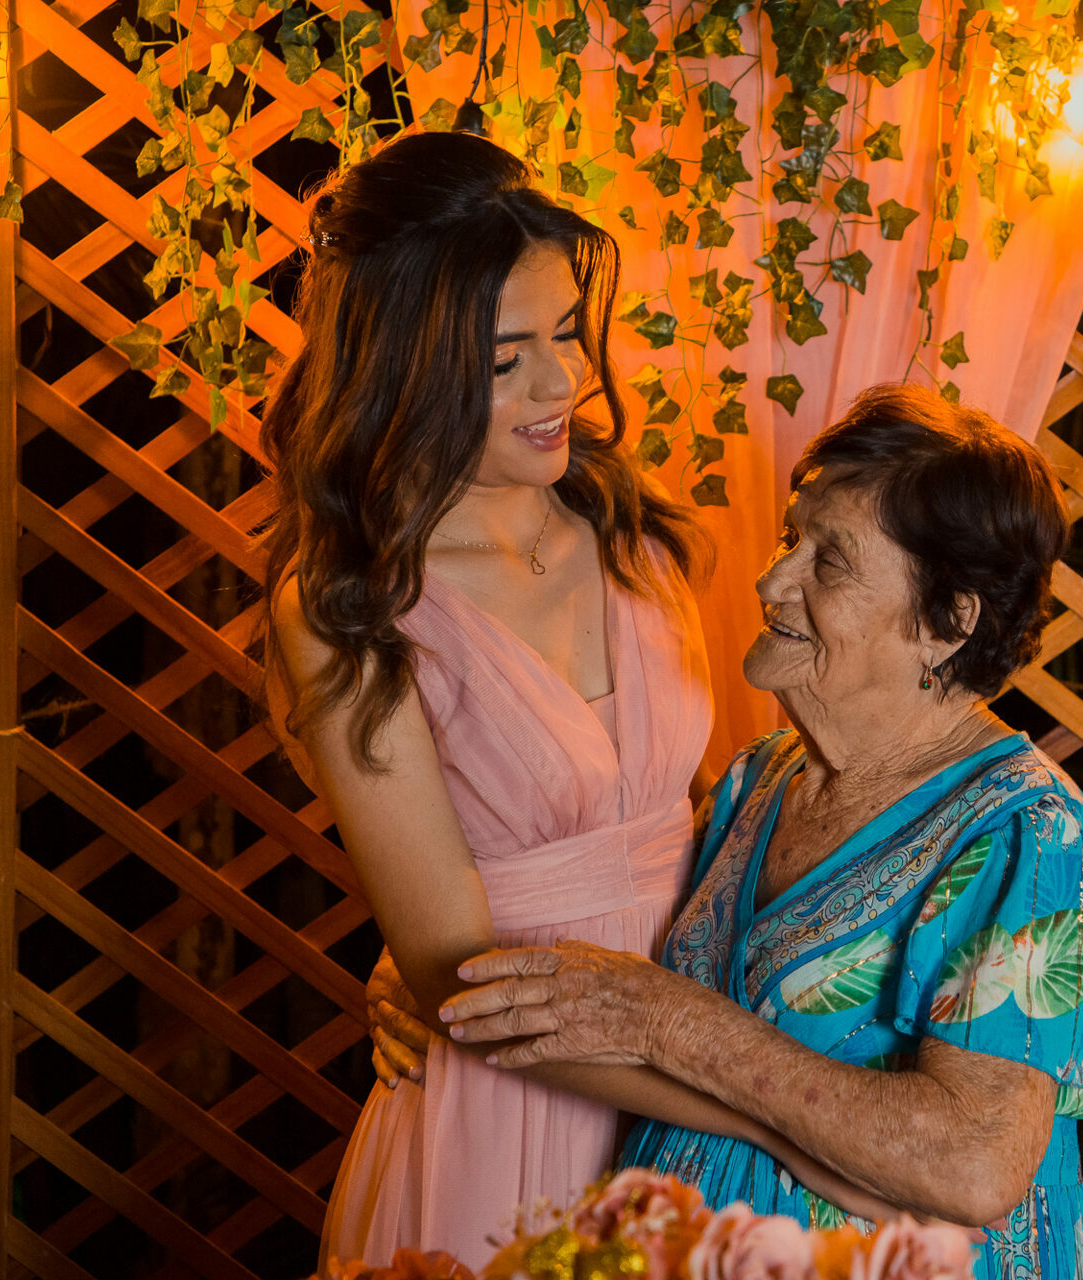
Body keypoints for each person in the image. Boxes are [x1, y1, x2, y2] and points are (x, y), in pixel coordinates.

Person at [262, 129, 879, 1265]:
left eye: (565, 332)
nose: (563, 383)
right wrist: (779, 1119)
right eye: (505, 361)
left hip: (707, 1075)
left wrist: (786, 1071)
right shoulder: (351, 605)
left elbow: (704, 822)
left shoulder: (625, 521)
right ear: (402, 368)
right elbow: (462, 982)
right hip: (522, 1114)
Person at [380, 386, 1083, 1279]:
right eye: (793, 537)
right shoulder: (759, 779)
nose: (772, 580)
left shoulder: (1027, 835)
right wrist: (431, 953)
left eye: (829, 562)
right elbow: (607, 899)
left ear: (947, 622)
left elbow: (973, 1164)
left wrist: (676, 1024)